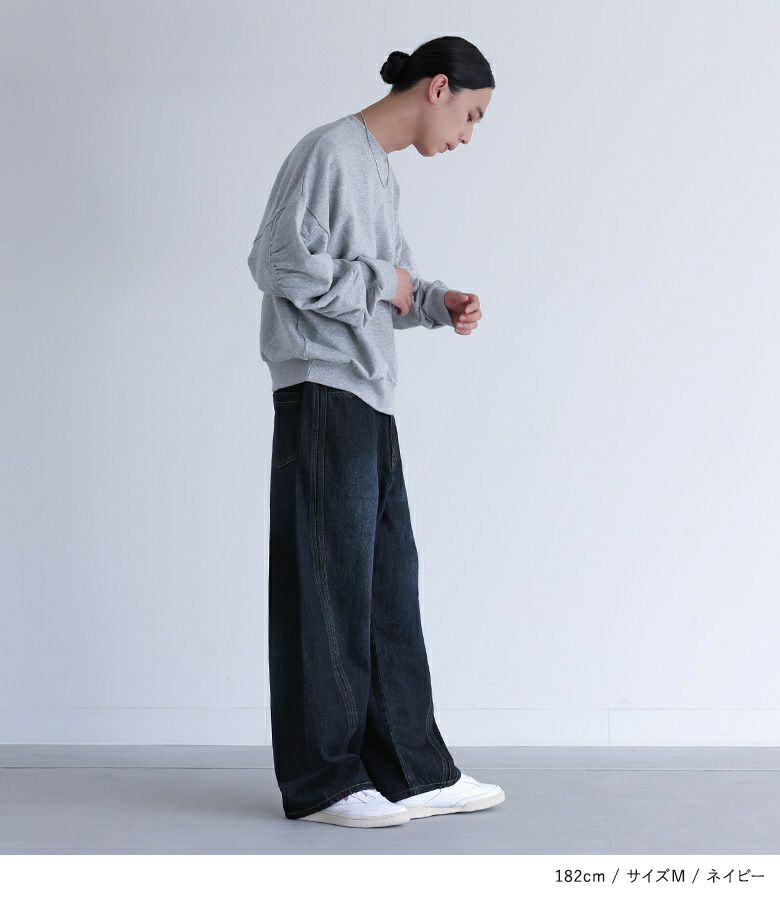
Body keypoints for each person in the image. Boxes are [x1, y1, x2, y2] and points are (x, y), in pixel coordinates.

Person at [247, 35, 503, 828]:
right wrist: (382, 283)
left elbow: (391, 284)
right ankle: (323, 782)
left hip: (367, 394)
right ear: (438, 88)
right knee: (326, 589)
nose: (468, 134)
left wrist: (435, 300)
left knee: (387, 585)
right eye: (472, 114)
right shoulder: (330, 150)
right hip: (322, 388)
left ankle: (411, 770)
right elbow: (276, 263)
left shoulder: (378, 173)